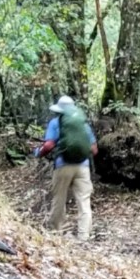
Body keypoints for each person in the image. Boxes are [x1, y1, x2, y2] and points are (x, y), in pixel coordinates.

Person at [37, 96, 97, 242]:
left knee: (59, 198)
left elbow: (49, 145)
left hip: (62, 165)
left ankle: (56, 233)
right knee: (84, 201)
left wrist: (39, 152)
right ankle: (84, 236)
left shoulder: (55, 122)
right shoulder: (83, 125)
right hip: (83, 167)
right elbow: (94, 149)